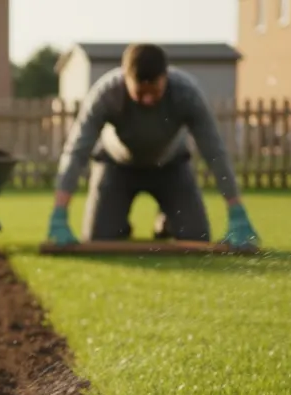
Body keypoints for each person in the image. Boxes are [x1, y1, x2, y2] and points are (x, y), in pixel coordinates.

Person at [47, 43, 260, 250]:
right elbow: (77, 152)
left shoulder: (186, 92)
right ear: (125, 79)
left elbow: (214, 151)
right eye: (140, 92)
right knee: (99, 238)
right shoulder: (106, 93)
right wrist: (60, 212)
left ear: (165, 77)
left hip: (171, 167)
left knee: (197, 236)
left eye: (155, 91)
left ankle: (166, 221)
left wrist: (236, 209)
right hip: (116, 167)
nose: (148, 99)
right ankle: (118, 222)